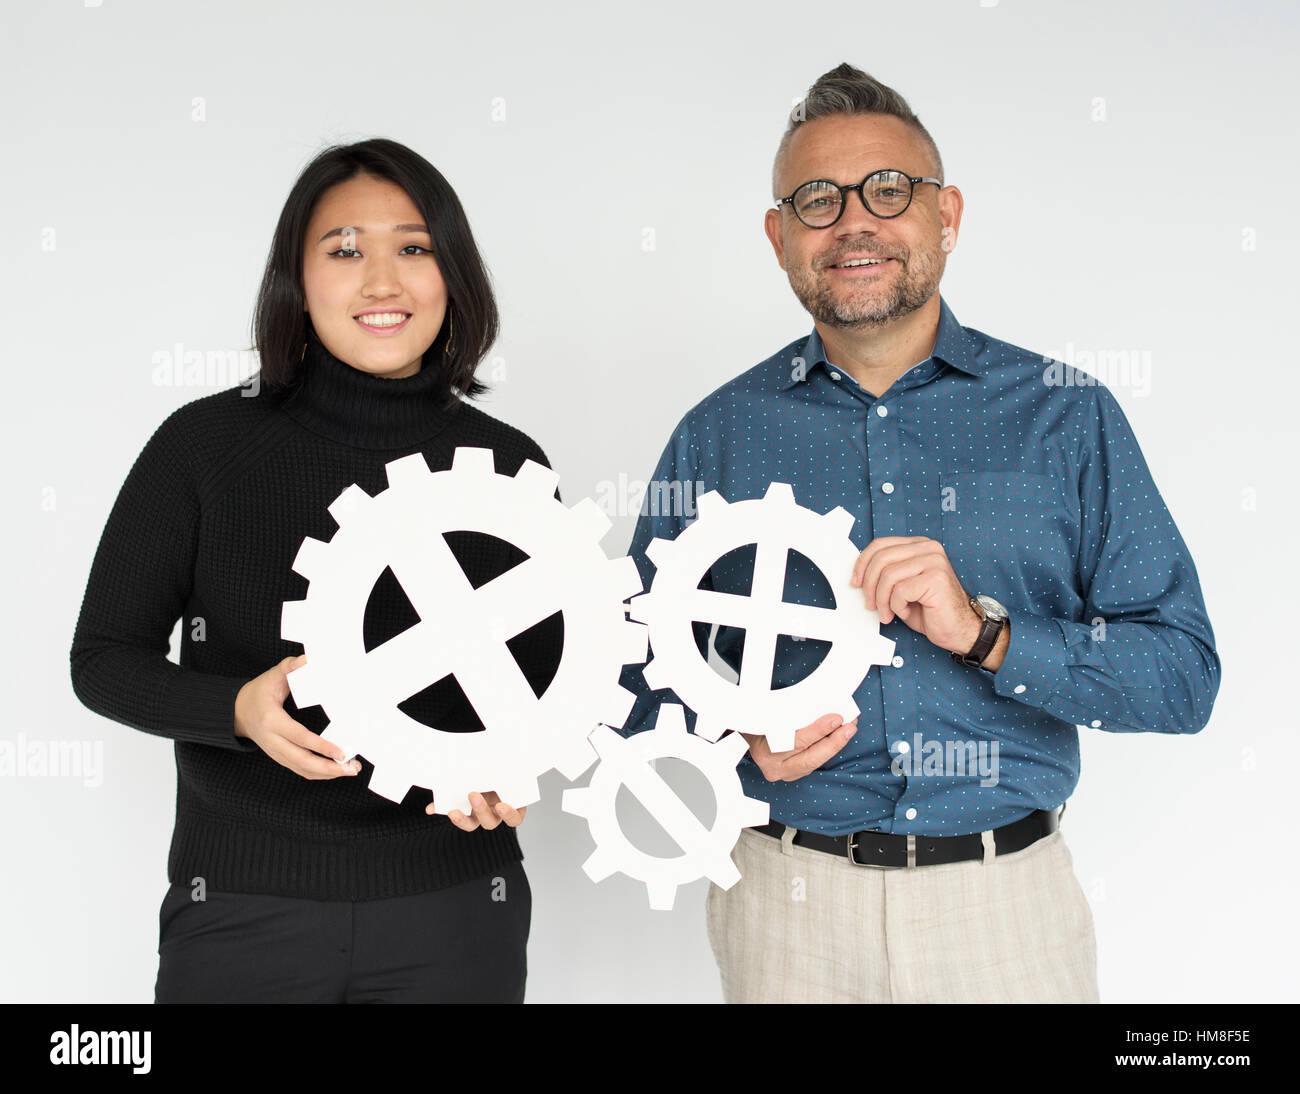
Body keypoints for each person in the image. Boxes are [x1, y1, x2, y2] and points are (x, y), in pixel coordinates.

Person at [616, 64, 1221, 1003]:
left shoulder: (1067, 418)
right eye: (817, 200)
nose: (854, 221)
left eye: (889, 190)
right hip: (788, 907)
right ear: (779, 238)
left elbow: (1182, 678)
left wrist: (989, 634)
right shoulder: (718, 433)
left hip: (1006, 911)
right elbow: (630, 681)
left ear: (948, 215)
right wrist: (727, 744)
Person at [69, 138, 558, 1003]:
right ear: (297, 279)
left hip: (454, 907)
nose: (382, 282)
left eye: (413, 248)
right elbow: (103, 658)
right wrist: (233, 709)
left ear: (453, 274)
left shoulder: (507, 463)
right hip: (242, 911)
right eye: (344, 250)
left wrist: (505, 766)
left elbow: (541, 687)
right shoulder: (204, 446)